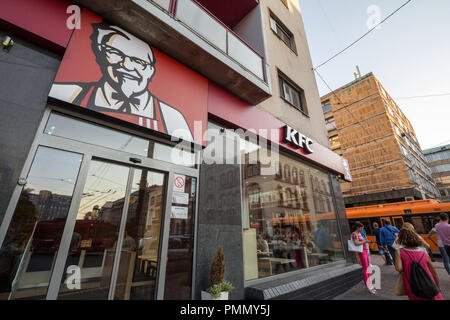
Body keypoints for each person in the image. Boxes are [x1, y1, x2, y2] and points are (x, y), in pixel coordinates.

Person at [50, 22, 193, 141]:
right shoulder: (69, 93)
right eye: (116, 54)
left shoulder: (173, 118)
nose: (127, 65)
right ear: (101, 56)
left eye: (139, 61)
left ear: (151, 71)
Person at [394, 228, 443, 300]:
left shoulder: (401, 252)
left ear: (401, 240)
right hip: (429, 282)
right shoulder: (423, 253)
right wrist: (438, 286)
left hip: (413, 286)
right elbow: (434, 272)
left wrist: (397, 250)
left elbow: (399, 268)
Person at [352, 222, 376, 294]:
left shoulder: (359, 234)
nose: (362, 229)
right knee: (366, 268)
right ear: (358, 227)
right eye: (361, 228)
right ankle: (368, 285)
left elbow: (361, 242)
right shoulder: (354, 234)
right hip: (361, 252)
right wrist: (365, 241)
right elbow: (356, 243)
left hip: (365, 251)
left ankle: (369, 284)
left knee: (367, 267)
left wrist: (366, 243)